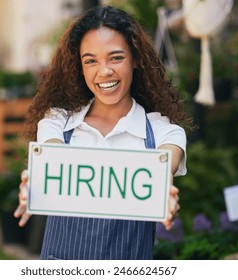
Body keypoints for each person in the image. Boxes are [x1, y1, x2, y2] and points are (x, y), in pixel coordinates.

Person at [14, 5, 192, 260]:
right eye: (91, 61)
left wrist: (162, 192)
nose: (104, 71)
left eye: (116, 57)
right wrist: (37, 182)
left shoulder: (164, 133)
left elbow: (163, 168)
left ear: (136, 58)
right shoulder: (57, 124)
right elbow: (52, 159)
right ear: (80, 67)